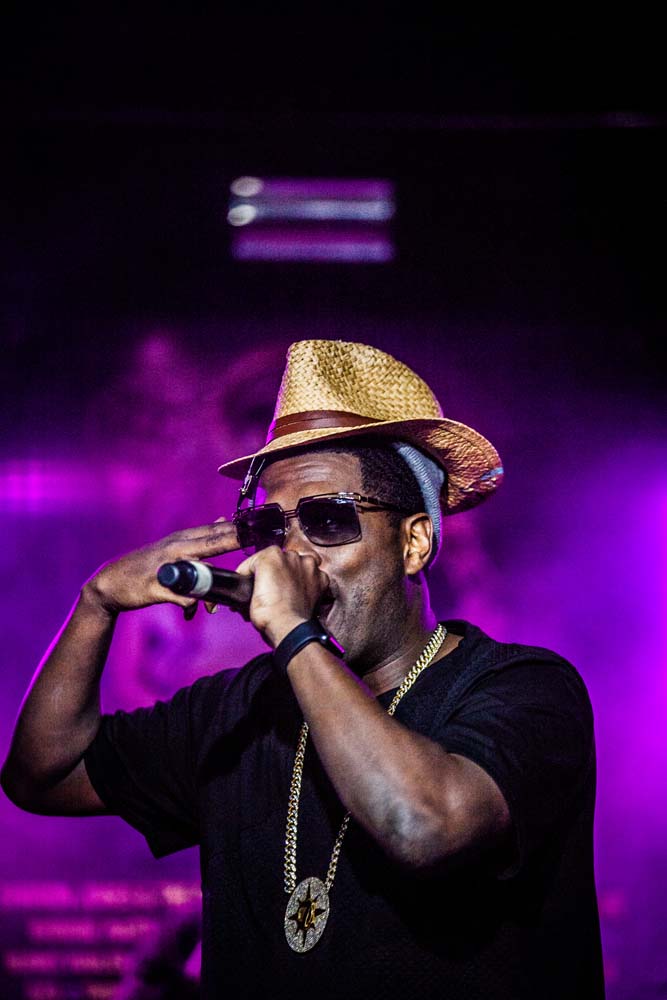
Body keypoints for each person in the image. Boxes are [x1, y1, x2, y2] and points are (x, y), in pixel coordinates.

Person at [1, 339, 605, 999]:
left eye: (326, 519)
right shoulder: (237, 711)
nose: (294, 554)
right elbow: (42, 776)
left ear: (414, 542)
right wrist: (96, 605)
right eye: (270, 526)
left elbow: (424, 826)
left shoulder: (521, 688)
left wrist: (293, 628)